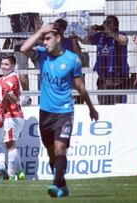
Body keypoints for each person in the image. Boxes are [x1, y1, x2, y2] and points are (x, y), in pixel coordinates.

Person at [20, 23, 98, 197]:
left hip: (64, 111)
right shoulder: (42, 55)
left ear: (58, 38)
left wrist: (91, 108)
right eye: (43, 39)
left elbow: (81, 87)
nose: (45, 42)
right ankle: (62, 184)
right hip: (45, 112)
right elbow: (24, 48)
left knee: (60, 148)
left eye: (48, 38)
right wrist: (40, 31)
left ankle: (55, 185)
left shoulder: (72, 60)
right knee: (51, 155)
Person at [81, 15, 130, 105]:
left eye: (109, 22)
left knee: (119, 110)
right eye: (105, 22)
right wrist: (90, 32)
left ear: (115, 26)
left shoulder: (120, 35)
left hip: (118, 81)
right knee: (104, 110)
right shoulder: (100, 36)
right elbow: (84, 41)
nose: (105, 24)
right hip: (103, 81)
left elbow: (125, 40)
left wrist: (109, 32)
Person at [0, 55, 26, 180]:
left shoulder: (12, 78)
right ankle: (20, 171)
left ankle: (10, 175)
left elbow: (10, 95)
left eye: (6, 64)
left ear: (13, 66)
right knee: (11, 144)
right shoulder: (6, 78)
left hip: (12, 116)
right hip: (13, 116)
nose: (3, 67)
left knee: (10, 146)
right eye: (2, 64)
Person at [9, 12, 42, 106]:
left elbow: (37, 22)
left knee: (41, 69)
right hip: (20, 41)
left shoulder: (30, 6)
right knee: (23, 70)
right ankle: (27, 96)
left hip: (32, 41)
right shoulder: (14, 7)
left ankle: (40, 96)